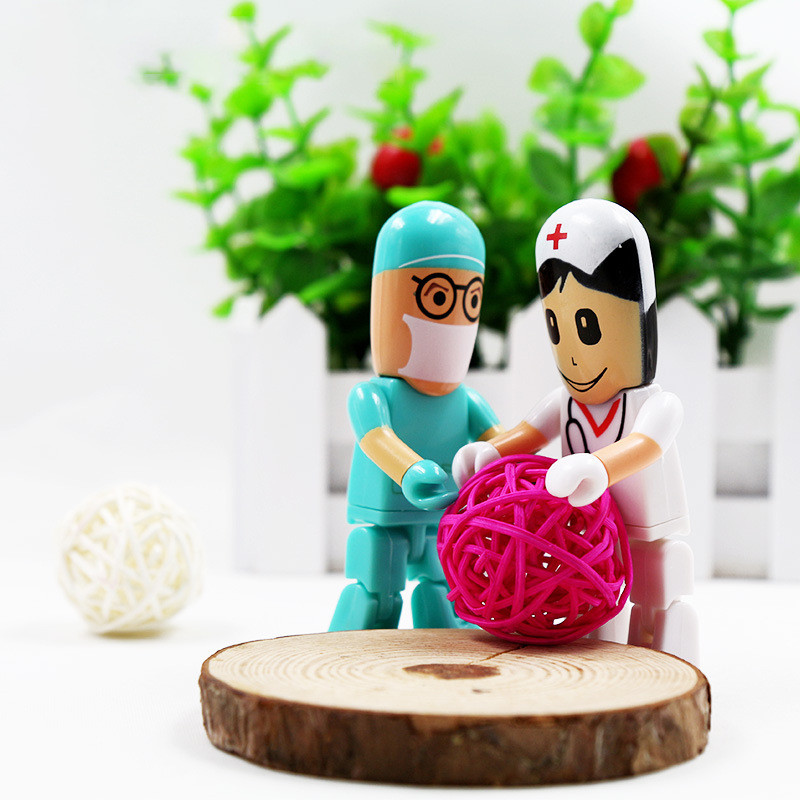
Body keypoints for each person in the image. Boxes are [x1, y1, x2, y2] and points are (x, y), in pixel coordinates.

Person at [454, 198, 699, 664]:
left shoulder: (656, 403)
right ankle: (603, 675)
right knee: (600, 608)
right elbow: (526, 435)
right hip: (593, 538)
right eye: (556, 327)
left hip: (645, 529)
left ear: (639, 315)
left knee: (661, 598)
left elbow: (644, 445)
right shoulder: (564, 402)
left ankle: (673, 667)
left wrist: (598, 468)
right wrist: (487, 454)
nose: (570, 353)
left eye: (587, 327)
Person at [330, 201, 502, 631]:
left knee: (447, 594)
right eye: (439, 298)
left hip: (445, 518)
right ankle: (348, 654)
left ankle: (446, 652)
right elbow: (377, 437)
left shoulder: (466, 399)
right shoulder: (372, 395)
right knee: (376, 594)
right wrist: (410, 470)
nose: (455, 321)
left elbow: (499, 442)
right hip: (388, 514)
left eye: (470, 300)